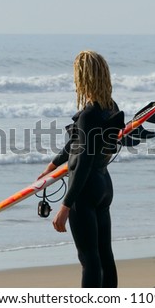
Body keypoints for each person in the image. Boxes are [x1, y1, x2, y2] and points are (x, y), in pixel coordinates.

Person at [38, 50, 124, 288]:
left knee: (89, 259)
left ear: (83, 78)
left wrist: (65, 206)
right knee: (104, 254)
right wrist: (54, 164)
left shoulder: (87, 114)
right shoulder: (109, 107)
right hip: (104, 186)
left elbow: (83, 159)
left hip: (84, 191)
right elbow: (78, 142)